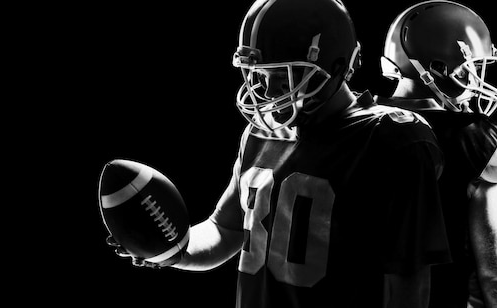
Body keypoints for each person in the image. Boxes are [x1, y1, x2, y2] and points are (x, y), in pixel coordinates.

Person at [106, 0, 451, 306]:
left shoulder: (391, 139)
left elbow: (408, 280)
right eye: (261, 75)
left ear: (335, 65)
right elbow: (225, 230)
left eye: (286, 77)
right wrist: (172, 249)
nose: (269, 92)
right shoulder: (260, 133)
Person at [375, 1, 497, 307]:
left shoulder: (359, 124)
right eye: (469, 68)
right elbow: (495, 270)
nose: (475, 79)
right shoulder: (473, 137)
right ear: (439, 69)